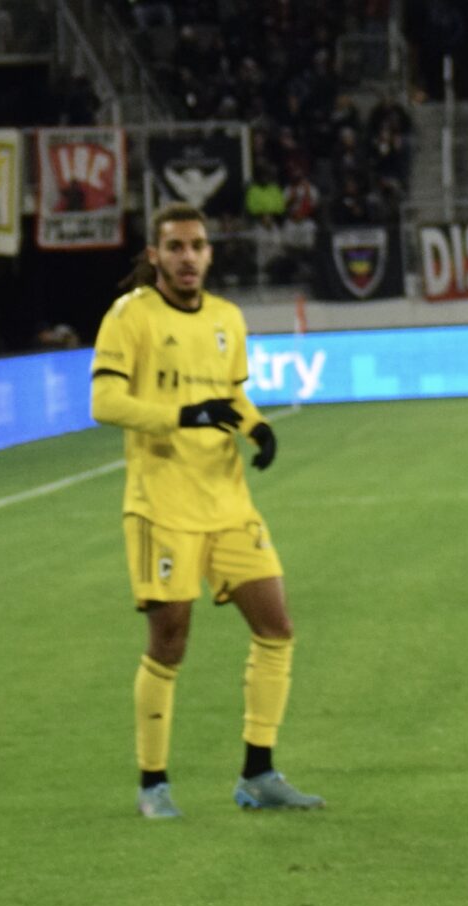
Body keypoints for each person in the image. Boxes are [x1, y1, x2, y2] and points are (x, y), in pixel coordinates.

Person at [90, 203, 323, 819]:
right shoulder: (130, 317)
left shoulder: (227, 318)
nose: (187, 257)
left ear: (210, 254)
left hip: (227, 503)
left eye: (197, 246)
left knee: (276, 627)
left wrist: (257, 426)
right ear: (154, 254)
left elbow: (231, 394)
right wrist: (181, 415)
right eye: (175, 247)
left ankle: (259, 773)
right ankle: (153, 783)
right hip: (161, 505)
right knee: (169, 642)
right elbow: (105, 400)